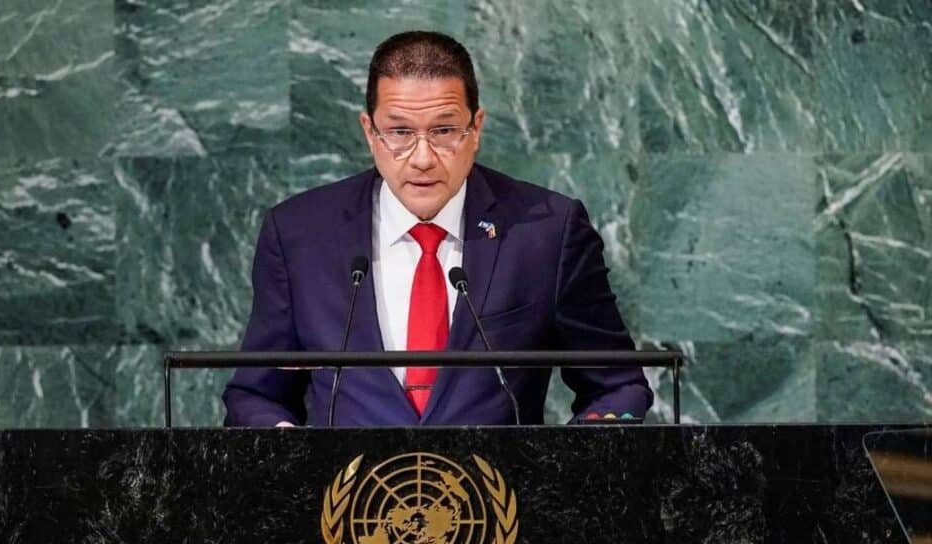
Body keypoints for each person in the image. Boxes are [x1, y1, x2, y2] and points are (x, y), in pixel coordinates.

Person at [223, 31, 652, 426]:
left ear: (476, 128)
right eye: (399, 132)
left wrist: (574, 462)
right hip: (348, 504)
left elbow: (617, 386)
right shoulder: (300, 234)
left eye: (444, 130)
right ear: (369, 132)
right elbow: (256, 395)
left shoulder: (546, 231)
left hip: (502, 504)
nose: (423, 157)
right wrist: (290, 461)